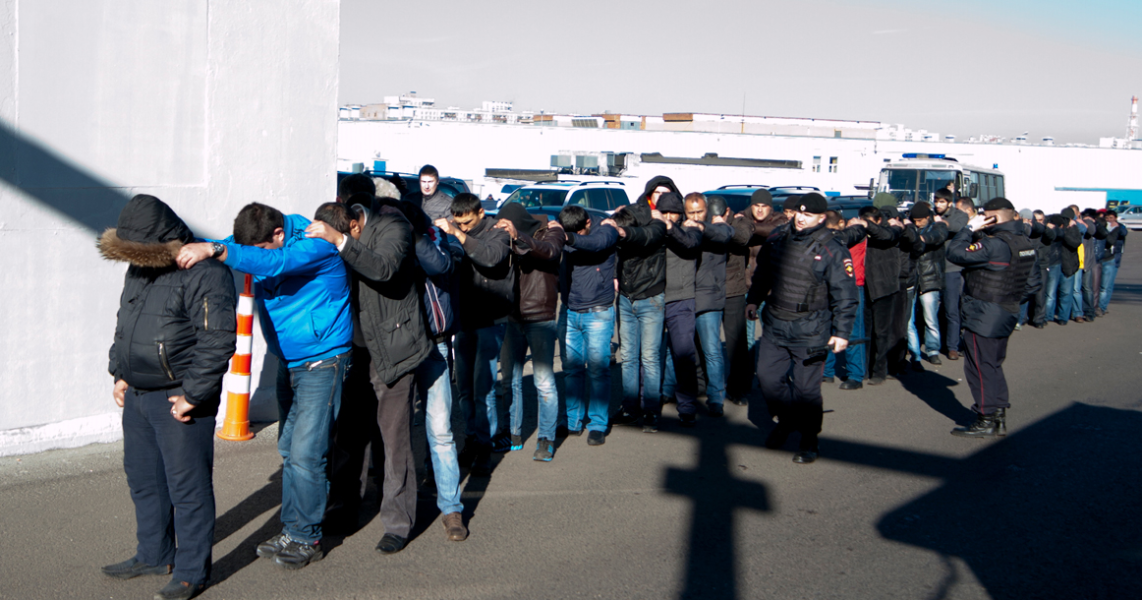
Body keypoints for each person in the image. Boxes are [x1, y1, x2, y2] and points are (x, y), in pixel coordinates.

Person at [178, 202, 353, 570]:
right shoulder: (259, 242)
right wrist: (177, 245)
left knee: (306, 452)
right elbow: (222, 247)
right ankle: (293, 528)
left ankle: (307, 537)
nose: (253, 258)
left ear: (278, 234)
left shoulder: (314, 241)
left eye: (259, 249)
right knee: (290, 448)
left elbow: (271, 263)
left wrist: (217, 250)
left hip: (324, 360)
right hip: (289, 362)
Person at [99, 195, 237, 600]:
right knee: (144, 481)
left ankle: (192, 572)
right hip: (139, 395)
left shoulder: (206, 273)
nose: (134, 258)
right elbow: (126, 321)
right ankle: (154, 553)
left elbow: (218, 339)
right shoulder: (140, 266)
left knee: (188, 489)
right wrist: (120, 373)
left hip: (179, 400)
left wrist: (193, 394)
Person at [305, 199, 431, 555]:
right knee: (348, 437)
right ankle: (342, 508)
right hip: (354, 351)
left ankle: (398, 523)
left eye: (342, 239)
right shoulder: (340, 232)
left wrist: (341, 244)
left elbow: (385, 268)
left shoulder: (393, 228)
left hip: (393, 349)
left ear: (355, 227)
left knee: (394, 442)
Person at [746, 193, 859, 464]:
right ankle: (787, 420)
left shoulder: (832, 248)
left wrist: (841, 332)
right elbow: (763, 274)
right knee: (768, 379)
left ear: (821, 218)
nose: (800, 217)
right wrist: (753, 301)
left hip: (812, 329)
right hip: (776, 324)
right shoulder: (777, 238)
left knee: (807, 391)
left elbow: (845, 294)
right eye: (799, 212)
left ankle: (809, 439)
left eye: (808, 215)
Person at [946, 198, 1041, 437]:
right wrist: (1007, 299)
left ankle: (986, 416)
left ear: (993, 217)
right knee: (993, 365)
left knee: (979, 366)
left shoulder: (995, 244)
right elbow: (1033, 283)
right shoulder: (1024, 242)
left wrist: (969, 229)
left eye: (984, 216)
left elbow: (955, 253)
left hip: (984, 313)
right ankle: (998, 415)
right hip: (1005, 311)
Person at [435, 193, 514, 474]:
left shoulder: (498, 232)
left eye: (467, 222)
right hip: (465, 320)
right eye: (459, 223)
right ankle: (471, 438)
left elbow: (491, 258)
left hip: (492, 319)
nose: (464, 227)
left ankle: (485, 445)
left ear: (480, 212)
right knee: (464, 388)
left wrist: (457, 233)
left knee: (484, 388)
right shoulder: (455, 232)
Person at [496, 202, 565, 461]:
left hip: (540, 317)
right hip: (512, 317)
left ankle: (546, 438)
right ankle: (512, 434)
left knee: (544, 381)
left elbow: (549, 252)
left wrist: (518, 237)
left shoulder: (551, 231)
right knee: (509, 379)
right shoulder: (505, 237)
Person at [609, 176, 674, 432]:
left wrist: (624, 230)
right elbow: (615, 246)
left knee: (649, 357)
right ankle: (629, 406)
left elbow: (648, 236)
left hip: (651, 297)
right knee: (628, 357)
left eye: (665, 193)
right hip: (626, 296)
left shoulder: (661, 222)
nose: (659, 197)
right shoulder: (634, 212)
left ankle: (650, 411)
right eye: (656, 192)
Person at [558, 205, 621, 446]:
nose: (573, 241)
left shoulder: (605, 229)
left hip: (598, 312)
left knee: (598, 369)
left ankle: (597, 424)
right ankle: (572, 421)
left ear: (586, 222)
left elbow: (595, 244)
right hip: (569, 310)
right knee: (572, 369)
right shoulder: (567, 229)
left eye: (576, 234)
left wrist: (568, 237)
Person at [908, 202, 948, 365]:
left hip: (930, 277)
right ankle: (915, 353)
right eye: (915, 220)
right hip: (911, 278)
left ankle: (932, 350)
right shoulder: (909, 226)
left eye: (920, 220)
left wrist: (920, 239)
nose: (917, 223)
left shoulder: (937, 226)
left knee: (930, 319)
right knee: (908, 320)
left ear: (927, 217)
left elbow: (937, 236)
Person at [933, 188, 969, 359]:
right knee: (931, 311)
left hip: (952, 269)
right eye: (936, 201)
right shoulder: (931, 213)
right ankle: (934, 344)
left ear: (949, 203)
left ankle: (952, 346)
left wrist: (942, 223)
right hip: (933, 269)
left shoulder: (959, 215)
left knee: (951, 309)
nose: (937, 205)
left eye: (941, 202)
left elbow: (957, 226)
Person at [1043, 209, 1082, 326]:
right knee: (1050, 292)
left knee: (1066, 292)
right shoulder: (1055, 224)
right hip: (1055, 262)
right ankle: (1048, 316)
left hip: (1068, 263)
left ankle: (1063, 317)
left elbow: (1076, 242)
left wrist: (1064, 232)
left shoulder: (1073, 228)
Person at [1098, 210, 1127, 315]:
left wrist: (1117, 226)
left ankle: (1102, 307)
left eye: (1111, 218)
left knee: (1106, 286)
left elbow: (1124, 233)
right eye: (1107, 218)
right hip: (1102, 257)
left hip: (1113, 257)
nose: (1109, 220)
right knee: (1101, 285)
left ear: (1115, 218)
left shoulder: (1120, 227)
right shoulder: (1103, 226)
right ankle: (1101, 306)